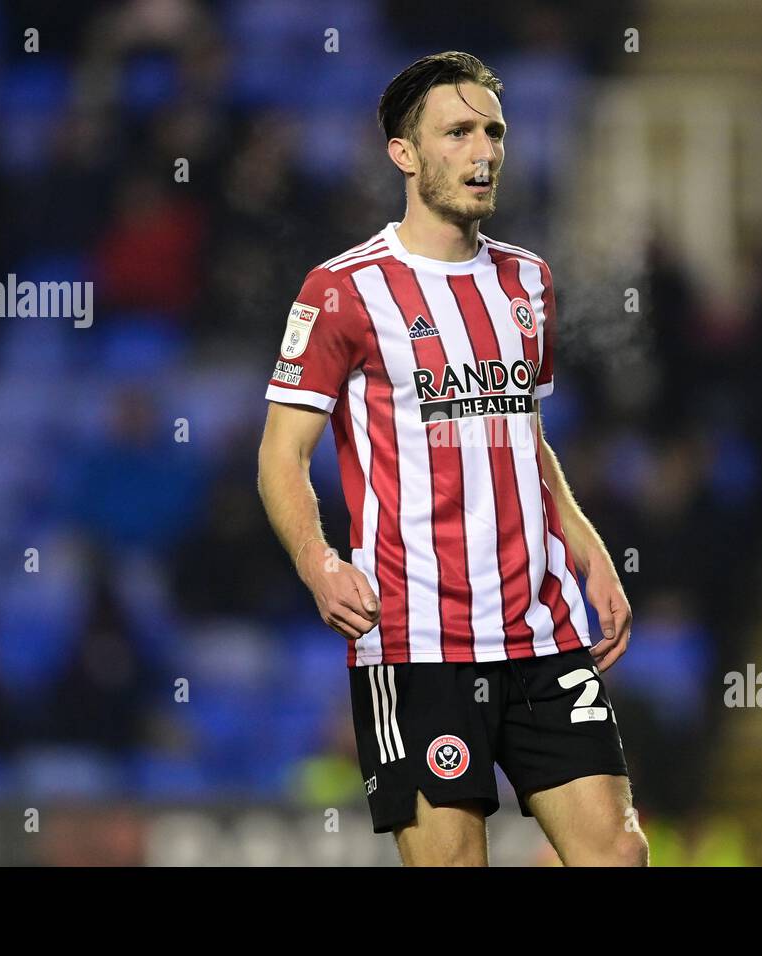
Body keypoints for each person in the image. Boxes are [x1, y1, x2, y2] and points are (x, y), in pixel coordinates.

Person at [256, 52, 645, 866]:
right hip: (416, 639)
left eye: (494, 132)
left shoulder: (527, 282)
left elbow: (520, 434)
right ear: (405, 153)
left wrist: (587, 548)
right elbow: (281, 455)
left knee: (618, 853)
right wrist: (317, 563)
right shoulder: (342, 290)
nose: (484, 152)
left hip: (541, 629)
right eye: (459, 132)